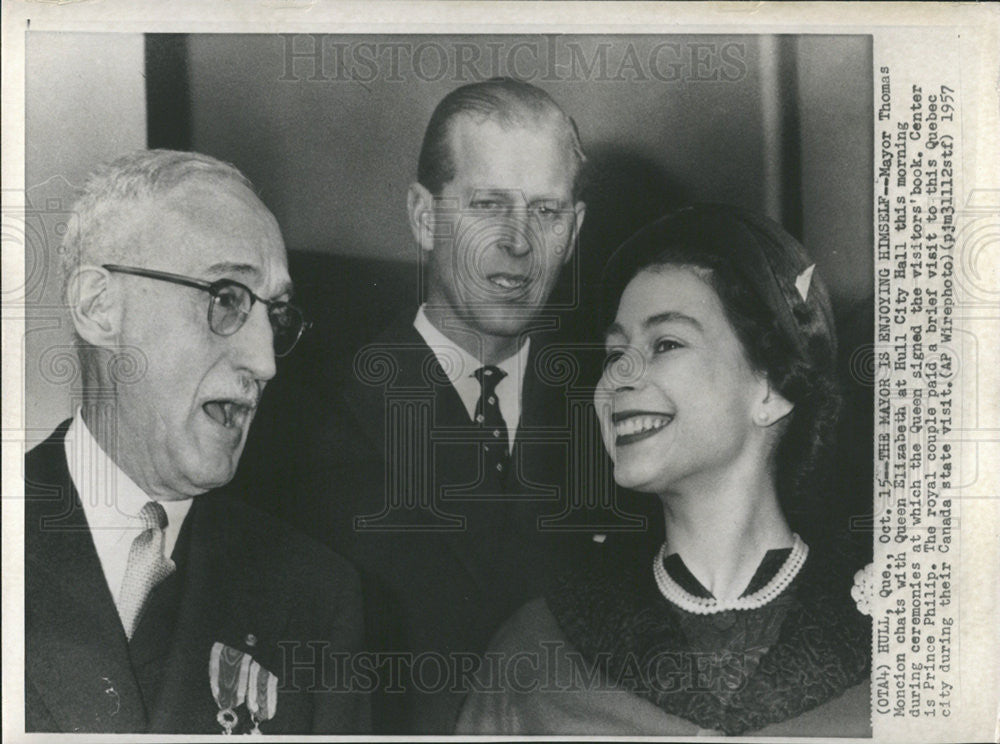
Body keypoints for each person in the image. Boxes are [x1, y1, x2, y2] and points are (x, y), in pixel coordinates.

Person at [457, 204, 872, 736]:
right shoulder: (536, 650)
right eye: (613, 355)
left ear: (772, 389)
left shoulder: (900, 641)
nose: (620, 377)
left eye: (666, 343)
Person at [274, 77, 603, 733]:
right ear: (425, 217)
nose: (518, 242)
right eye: (487, 205)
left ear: (573, 232)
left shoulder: (617, 414)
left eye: (546, 211)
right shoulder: (304, 420)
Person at [24, 150, 370, 734]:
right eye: (226, 296)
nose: (265, 364)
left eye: (276, 315)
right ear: (99, 307)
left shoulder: (315, 597)